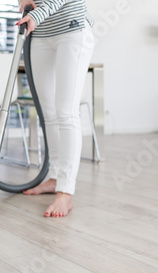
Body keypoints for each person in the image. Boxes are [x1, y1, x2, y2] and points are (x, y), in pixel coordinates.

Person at [17, 0, 95, 218]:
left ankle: (65, 191)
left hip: (71, 29)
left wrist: (37, 14)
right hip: (41, 33)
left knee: (66, 113)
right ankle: (54, 177)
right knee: (49, 114)